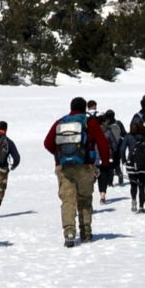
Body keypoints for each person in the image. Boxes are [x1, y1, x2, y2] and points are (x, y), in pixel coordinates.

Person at [45, 97, 111, 247]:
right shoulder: (90, 123)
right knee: (84, 200)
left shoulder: (61, 122)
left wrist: (60, 155)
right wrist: (105, 164)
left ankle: (69, 232)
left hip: (63, 168)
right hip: (85, 167)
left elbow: (47, 143)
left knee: (67, 200)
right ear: (84, 109)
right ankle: (86, 232)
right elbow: (102, 142)